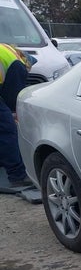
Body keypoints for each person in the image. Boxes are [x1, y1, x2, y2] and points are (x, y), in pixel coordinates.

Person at [0, 43, 33, 188]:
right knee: (7, 129)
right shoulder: (18, 65)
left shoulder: (6, 51)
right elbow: (13, 98)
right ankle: (17, 175)